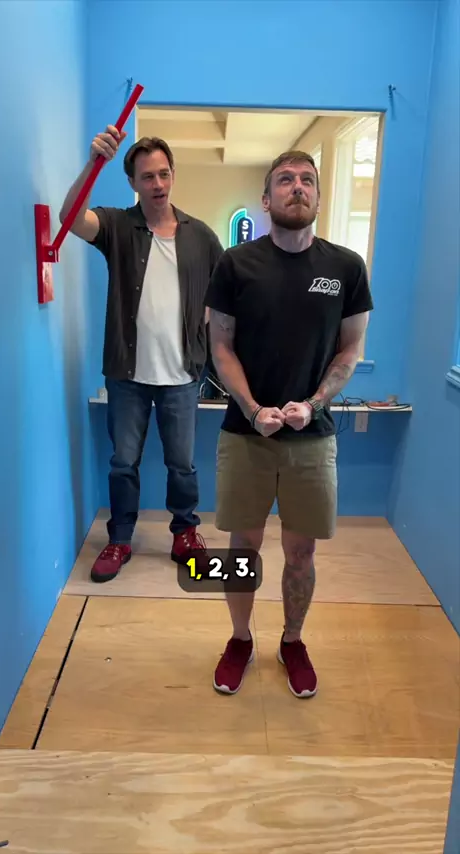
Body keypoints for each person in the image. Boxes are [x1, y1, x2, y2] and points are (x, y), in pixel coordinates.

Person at [205, 150, 373, 697]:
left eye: (306, 180)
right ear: (266, 198)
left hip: (312, 438)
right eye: (284, 179)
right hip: (244, 434)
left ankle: (292, 641)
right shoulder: (235, 264)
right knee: (241, 547)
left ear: (318, 197)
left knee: (302, 551)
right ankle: (239, 639)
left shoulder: (346, 267)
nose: (296, 187)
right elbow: (221, 347)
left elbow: (350, 350)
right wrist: (254, 409)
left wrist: (314, 403)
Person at [59, 127, 223, 583]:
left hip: (182, 376)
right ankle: (119, 539)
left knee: (182, 464)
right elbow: (69, 217)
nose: (158, 184)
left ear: (173, 176)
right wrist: (94, 163)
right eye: (148, 176)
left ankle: (185, 534)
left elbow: (225, 293)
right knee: (123, 463)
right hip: (127, 376)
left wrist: (208, 330)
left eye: (164, 174)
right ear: (133, 182)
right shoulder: (117, 226)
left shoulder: (201, 236)